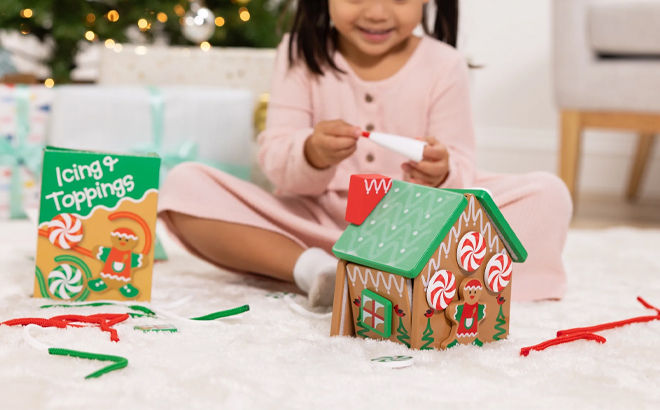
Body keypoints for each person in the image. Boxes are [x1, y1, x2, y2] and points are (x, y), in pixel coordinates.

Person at [158, 0, 572, 307]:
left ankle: (407, 273)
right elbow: (278, 162)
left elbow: (461, 165)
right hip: (316, 223)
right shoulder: (299, 51)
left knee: (547, 194)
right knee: (184, 185)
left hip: (417, 231)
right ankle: (317, 271)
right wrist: (312, 153)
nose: (377, 13)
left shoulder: (444, 64)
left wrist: (440, 174)